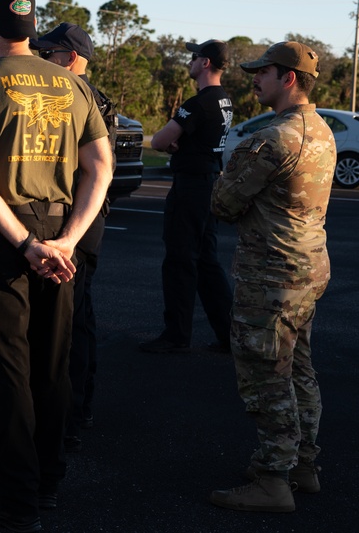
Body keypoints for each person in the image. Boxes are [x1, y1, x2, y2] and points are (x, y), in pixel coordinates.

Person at [0, 0, 113, 531]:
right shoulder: (73, 86)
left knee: (9, 375)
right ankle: (46, 486)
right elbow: (101, 169)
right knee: (53, 366)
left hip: (6, 236)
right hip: (60, 232)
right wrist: (67, 239)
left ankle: (16, 503)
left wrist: (25, 243)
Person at [209, 42, 333, 513]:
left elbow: (223, 205)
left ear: (288, 78)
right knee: (298, 368)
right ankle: (302, 463)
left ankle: (273, 480)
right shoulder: (321, 129)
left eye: (263, 72)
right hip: (307, 268)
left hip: (272, 277)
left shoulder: (274, 138)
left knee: (266, 374)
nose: (254, 78)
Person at [34, 23, 116, 451]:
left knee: (69, 317)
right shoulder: (85, 95)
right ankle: (74, 405)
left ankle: (70, 409)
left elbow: (92, 170)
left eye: (47, 53)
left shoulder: (80, 98)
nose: (41, 59)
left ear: (68, 58)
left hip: (77, 221)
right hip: (78, 217)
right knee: (75, 313)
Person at [140, 39, 234, 353]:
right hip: (210, 183)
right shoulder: (224, 101)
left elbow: (158, 141)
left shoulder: (198, 103)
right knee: (207, 261)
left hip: (190, 187)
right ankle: (228, 334)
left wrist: (172, 142)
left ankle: (176, 335)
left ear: (205, 63)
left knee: (180, 260)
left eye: (194, 57)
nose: (190, 62)